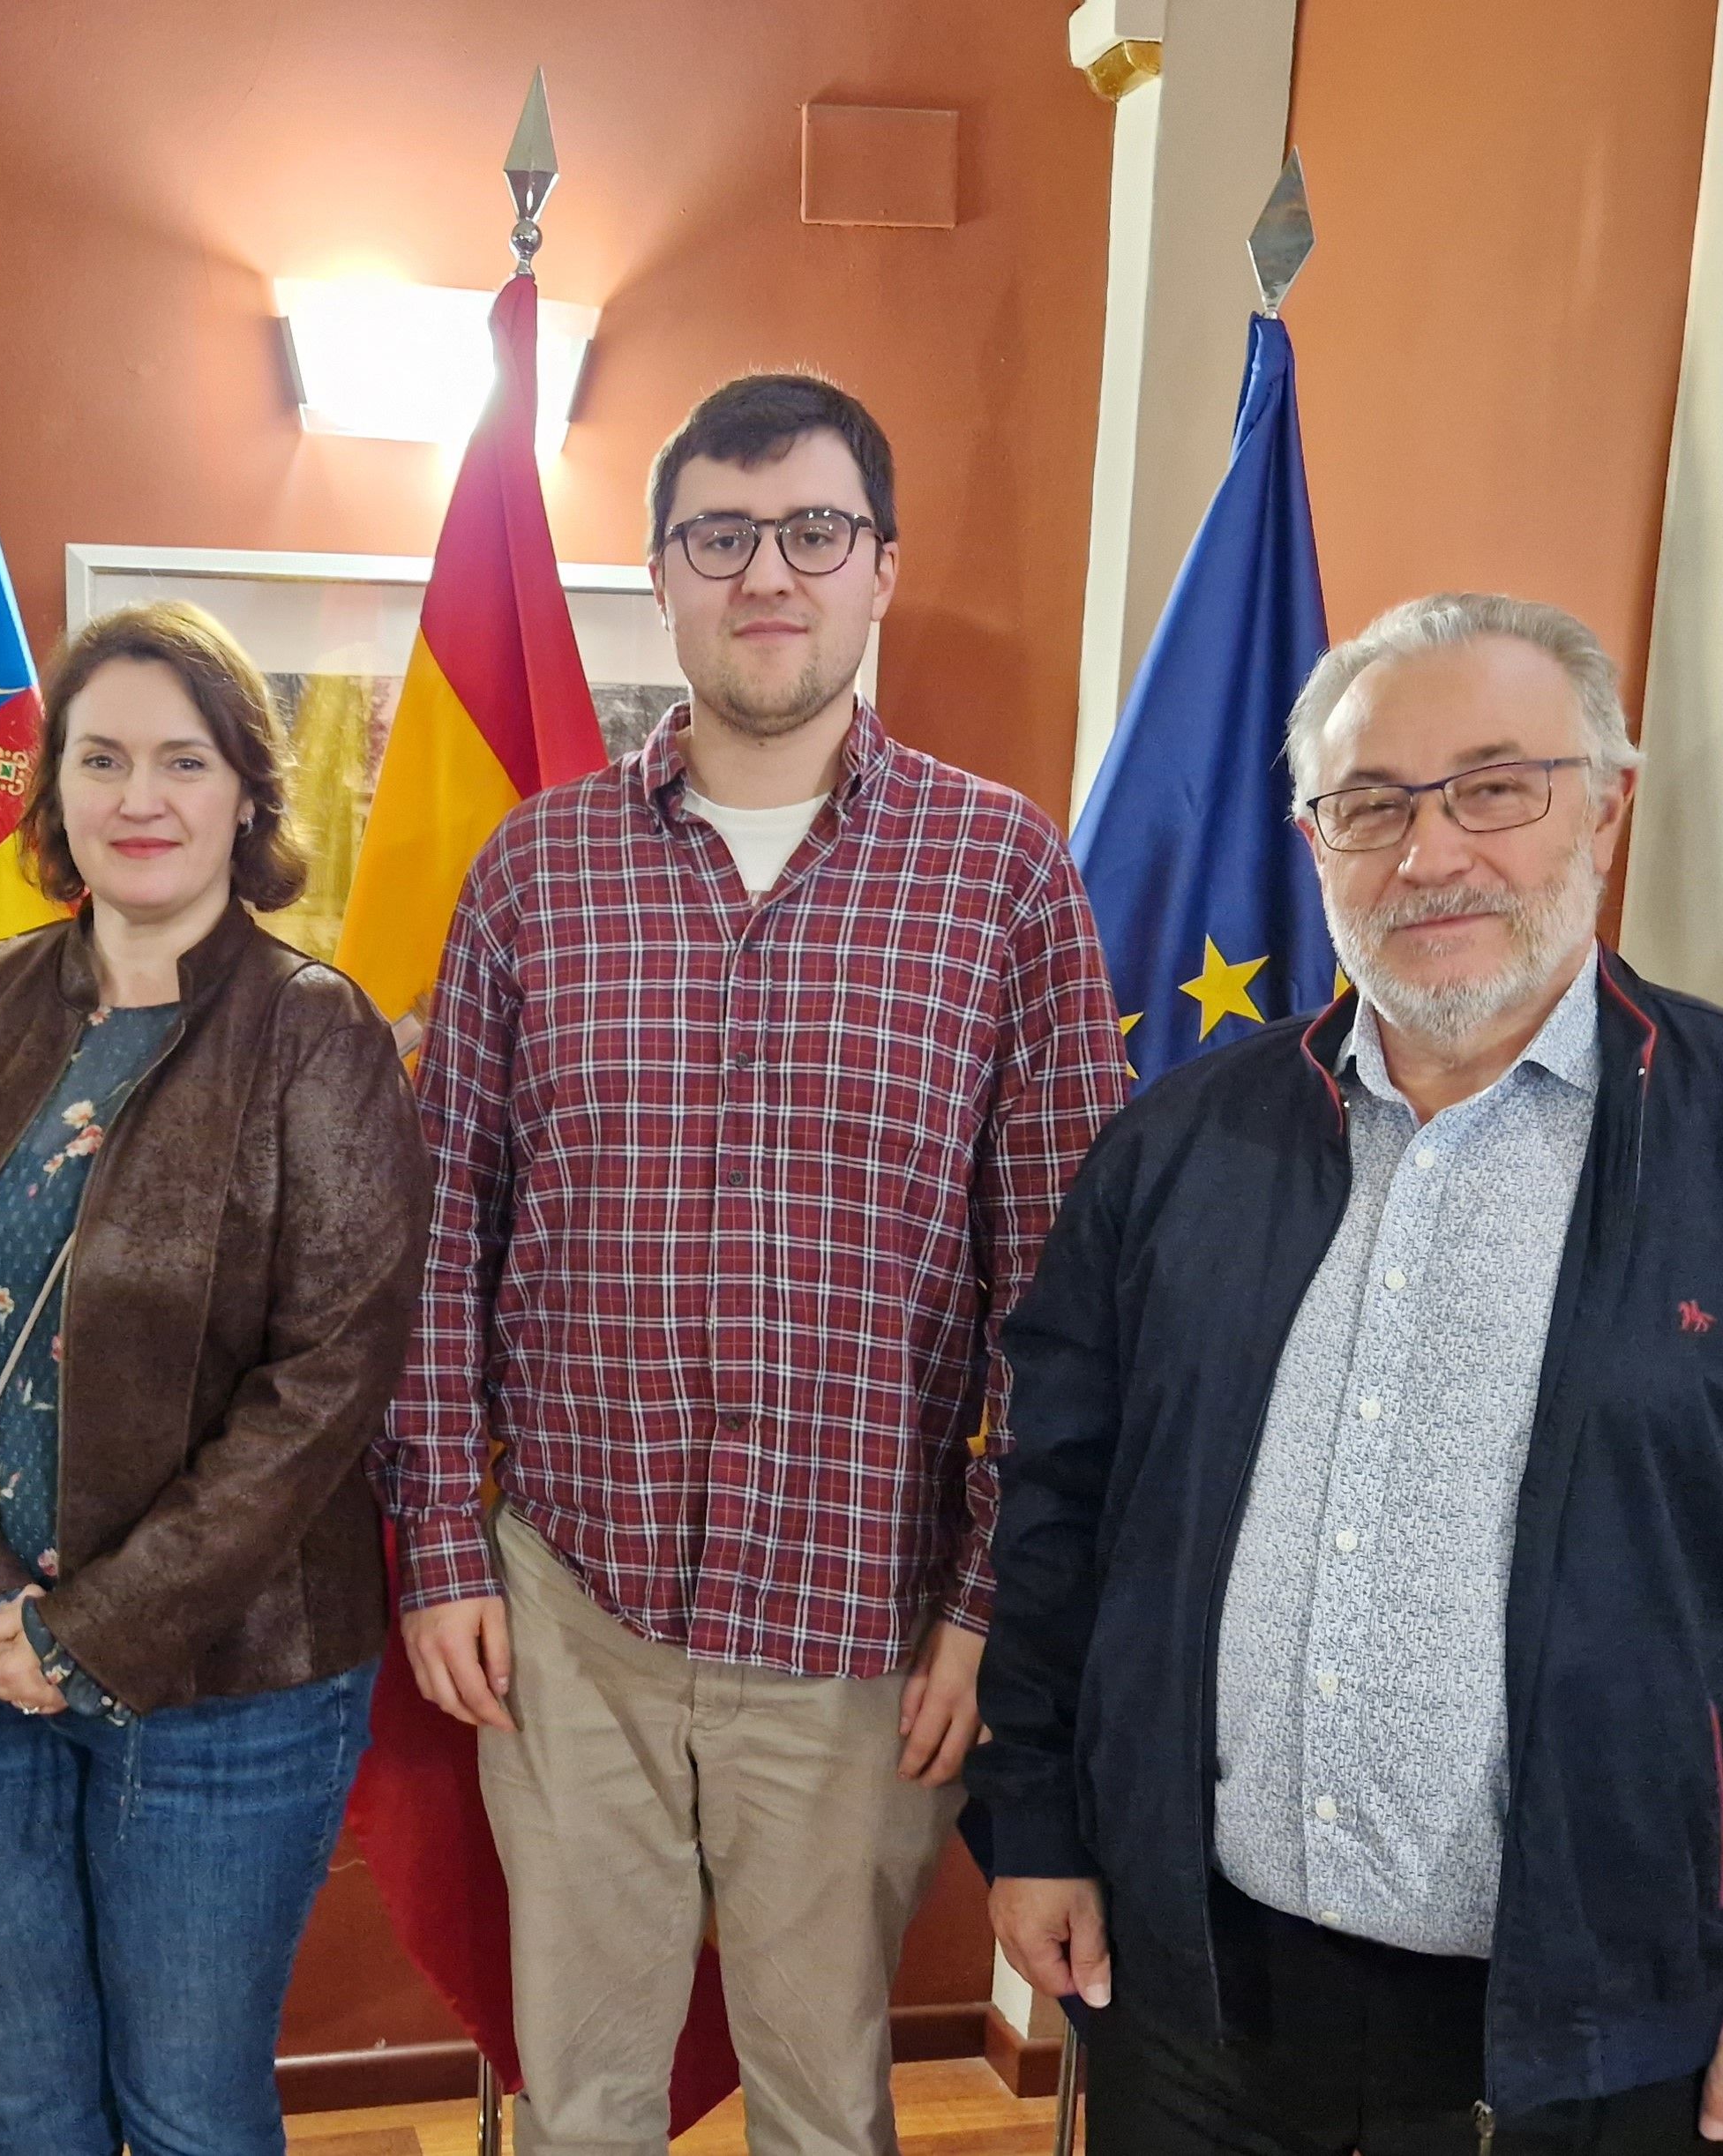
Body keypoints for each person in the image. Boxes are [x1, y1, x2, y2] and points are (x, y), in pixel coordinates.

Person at [974, 593, 1723, 2152]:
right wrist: (1040, 1815)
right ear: (1313, 838)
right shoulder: (1177, 1148)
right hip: (1190, 1989)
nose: (1430, 853)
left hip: (1588, 2036)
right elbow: (1060, 1506)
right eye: (1372, 804)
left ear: (1605, 804)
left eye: (1495, 786)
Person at [381, 371, 1132, 2156]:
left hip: (855, 1625)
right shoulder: (532, 874)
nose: (766, 573)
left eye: (813, 530)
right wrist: (431, 1549)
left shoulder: (1002, 876)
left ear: (878, 568)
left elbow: (1064, 1289)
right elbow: (435, 1243)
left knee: (819, 2108)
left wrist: (985, 1601)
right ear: (661, 571)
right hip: (568, 1608)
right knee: (576, 2104)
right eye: (720, 535)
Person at [0, 601, 430, 2156]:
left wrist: (89, 1628)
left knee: (187, 2112)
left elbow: (324, 1388)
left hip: (229, 1687)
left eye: (183, 759)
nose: (139, 797)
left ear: (247, 793)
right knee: (25, 2108)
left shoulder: (318, 1038)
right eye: (102, 759)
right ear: (58, 794)